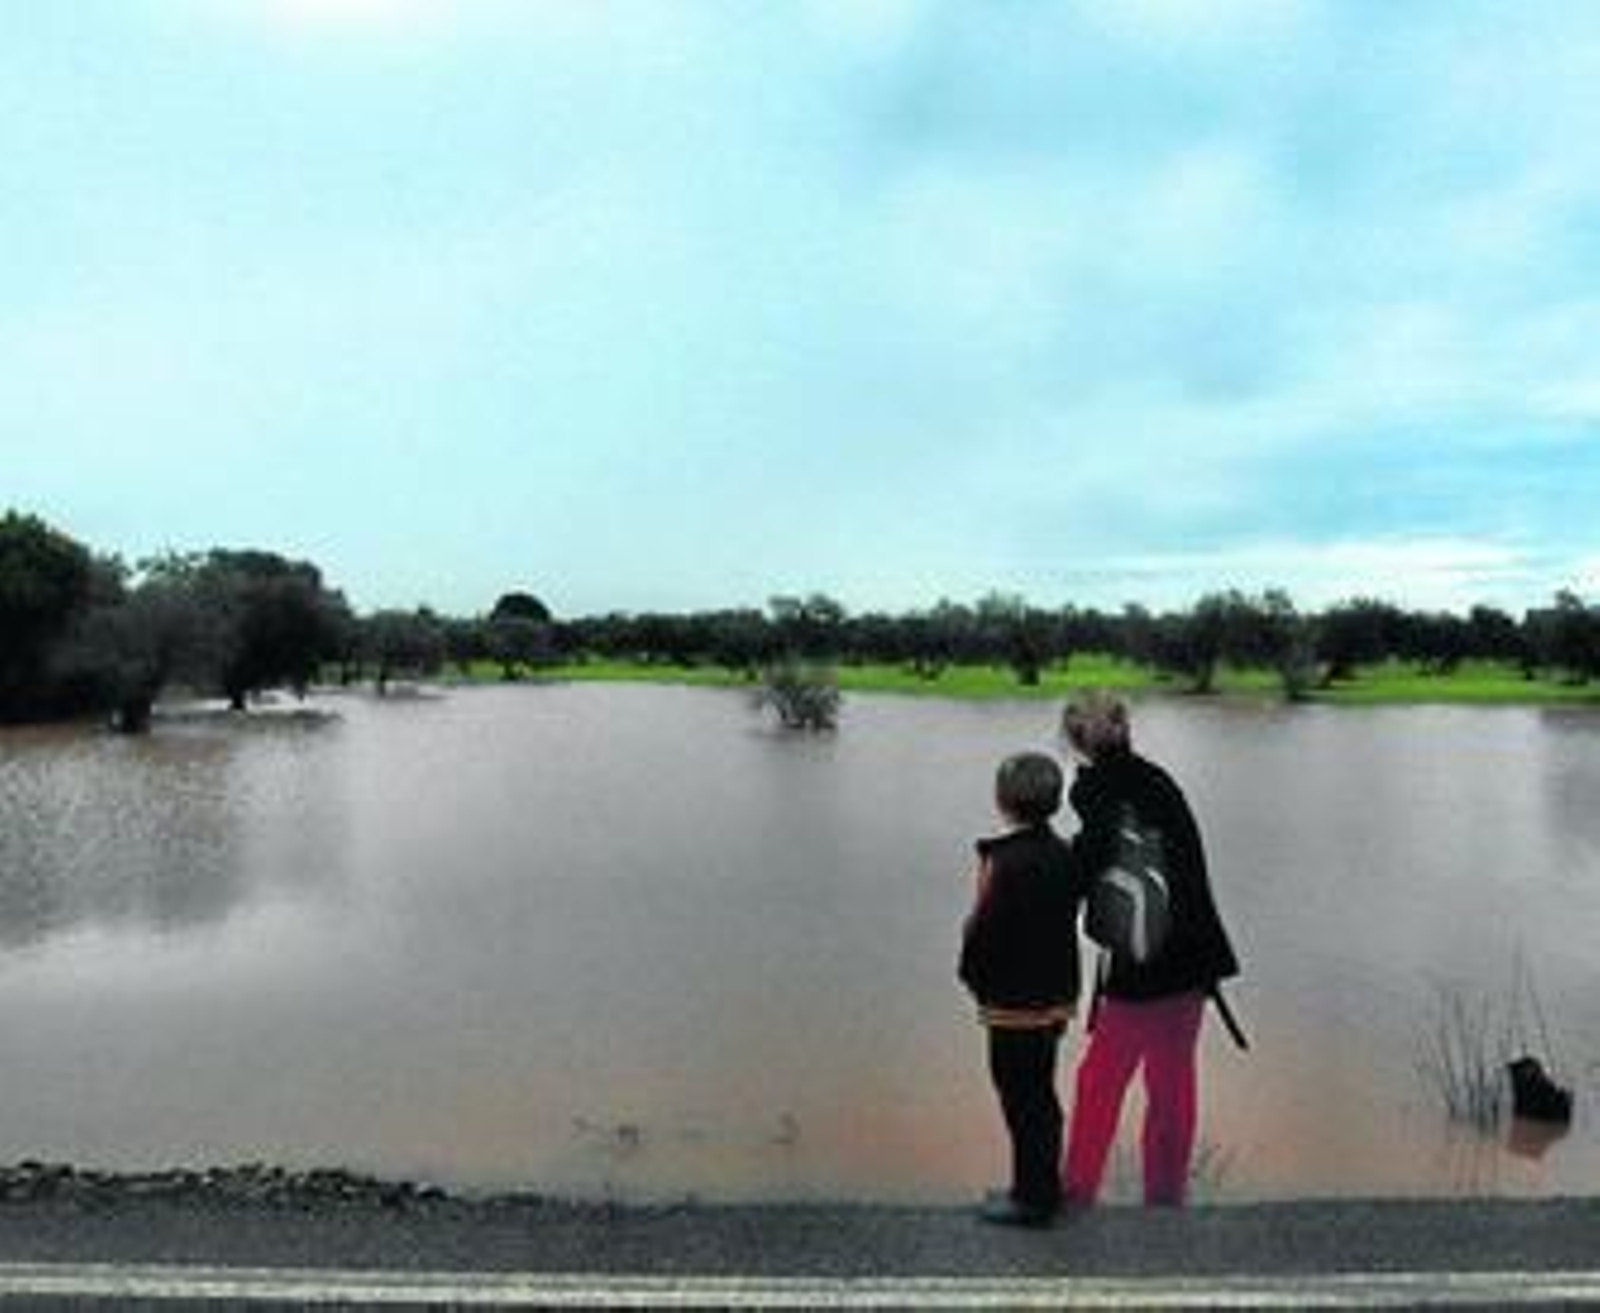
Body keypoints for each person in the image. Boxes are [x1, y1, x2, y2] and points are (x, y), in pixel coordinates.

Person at [1060, 690, 1240, 1209]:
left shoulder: (1100, 792)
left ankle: (1077, 1193)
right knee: (1172, 1079)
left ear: (1077, 742)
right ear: (1126, 729)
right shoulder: (1159, 781)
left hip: (1145, 963)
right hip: (1194, 958)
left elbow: (1084, 869)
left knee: (1099, 1081)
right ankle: (1165, 1201)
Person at [958, 751, 1085, 1226]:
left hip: (1012, 1003)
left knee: (1019, 1097)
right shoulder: (1066, 855)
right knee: (1042, 1095)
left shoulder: (1003, 861)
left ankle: (1031, 1200)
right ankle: (1043, 1187)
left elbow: (982, 932)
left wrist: (972, 980)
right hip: (1054, 1000)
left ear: (1002, 800)